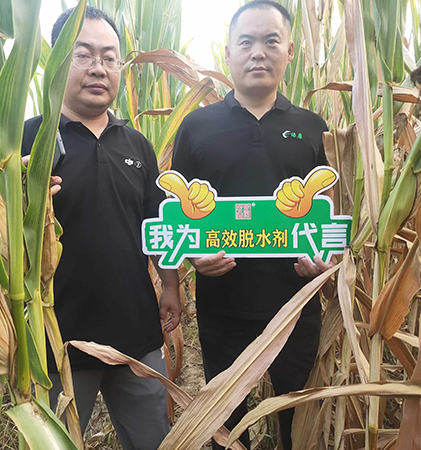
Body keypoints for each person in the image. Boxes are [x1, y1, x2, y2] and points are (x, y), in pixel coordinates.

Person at [170, 2, 332, 449]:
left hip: (296, 309)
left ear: (290, 52)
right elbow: (178, 215)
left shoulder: (313, 128)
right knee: (226, 426)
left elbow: (329, 215)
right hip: (224, 310)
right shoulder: (196, 128)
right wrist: (194, 257)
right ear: (228, 53)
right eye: (246, 42)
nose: (258, 52)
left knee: (297, 424)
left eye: (271, 41)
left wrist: (324, 261)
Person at [21, 7, 181, 449]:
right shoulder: (24, 140)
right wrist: (21, 196)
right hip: (58, 342)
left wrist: (170, 285)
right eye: (84, 55)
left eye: (110, 58)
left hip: (137, 336)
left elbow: (156, 224)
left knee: (154, 439)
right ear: (56, 61)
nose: (98, 68)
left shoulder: (137, 145)